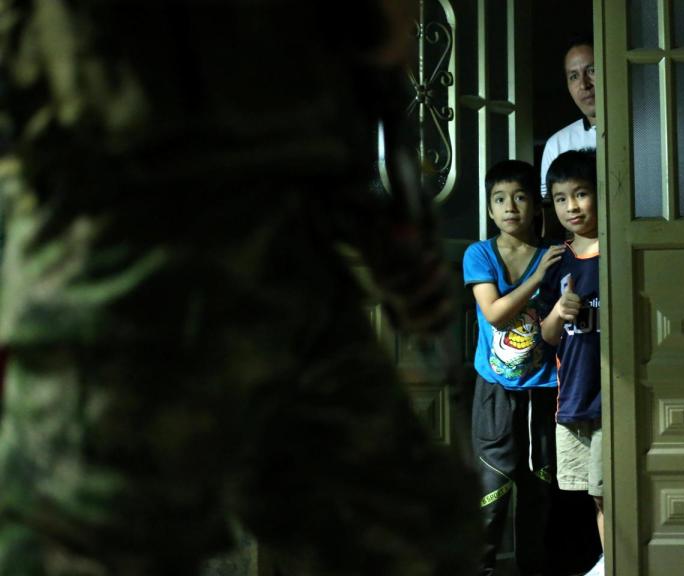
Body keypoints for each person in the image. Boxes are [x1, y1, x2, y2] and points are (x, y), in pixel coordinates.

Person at [0, 1, 479, 575]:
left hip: (285, 235)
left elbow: (371, 45)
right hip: (123, 231)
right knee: (87, 550)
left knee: (410, 536)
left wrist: (371, 213)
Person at [462, 160, 565, 576]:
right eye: (500, 200)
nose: (510, 208)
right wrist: (538, 275)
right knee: (493, 486)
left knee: (540, 485)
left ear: (536, 207)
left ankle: (533, 567)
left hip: (545, 388)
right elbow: (494, 313)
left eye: (520, 197)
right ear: (489, 210)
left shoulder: (556, 255)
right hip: (495, 389)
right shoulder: (480, 253)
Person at [538, 151, 604, 576]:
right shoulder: (556, 262)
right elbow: (545, 337)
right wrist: (559, 312)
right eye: (561, 199)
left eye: (581, 194)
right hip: (573, 398)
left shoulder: (617, 248)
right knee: (593, 495)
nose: (572, 207)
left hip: (610, 396)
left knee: (609, 492)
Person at [539, 36, 598, 200]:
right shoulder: (557, 144)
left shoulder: (641, 131)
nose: (584, 85)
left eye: (592, 71)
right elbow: (551, 209)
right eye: (574, 76)